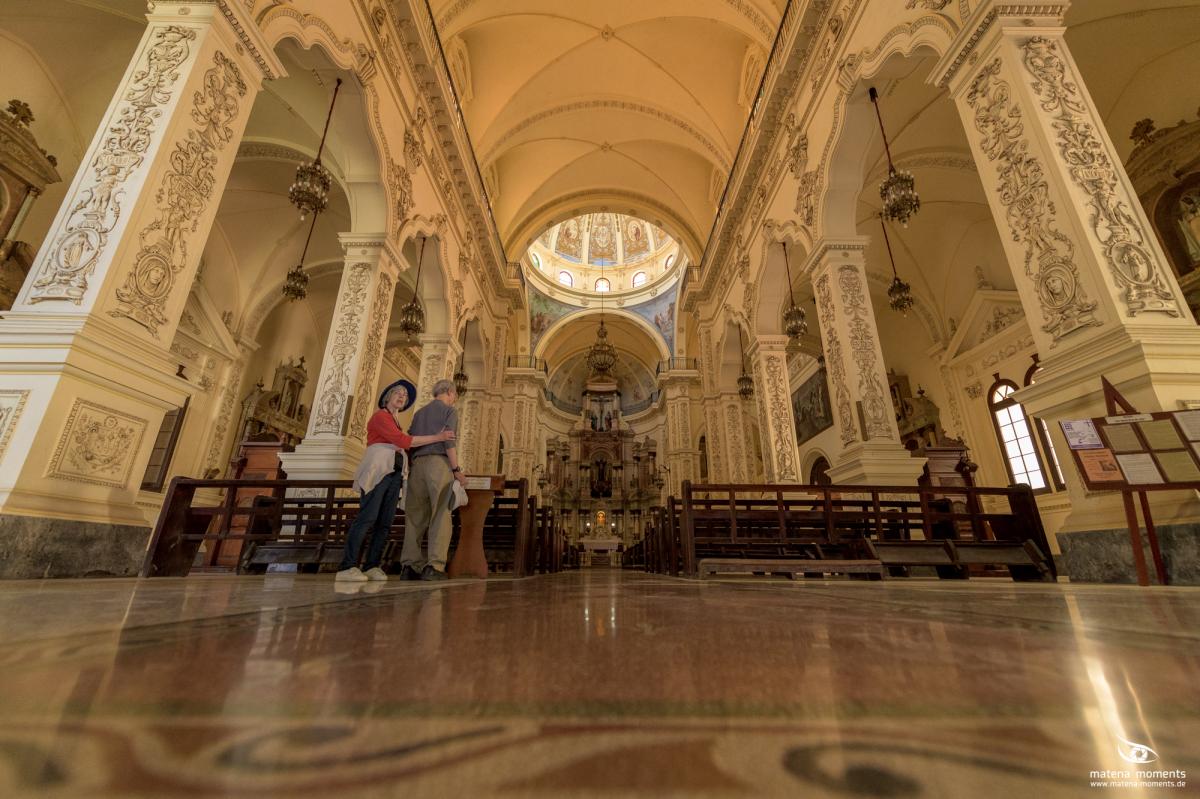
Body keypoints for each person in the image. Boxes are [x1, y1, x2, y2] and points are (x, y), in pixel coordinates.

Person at [335, 379, 455, 583]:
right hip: (378, 470)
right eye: (398, 393)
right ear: (387, 396)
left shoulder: (398, 421)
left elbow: (405, 442)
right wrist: (439, 438)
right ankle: (347, 566)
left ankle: (372, 565)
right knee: (368, 517)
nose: (402, 396)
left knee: (385, 522)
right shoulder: (380, 417)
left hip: (394, 472)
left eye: (405, 395)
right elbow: (403, 441)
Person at [399, 379, 467, 580]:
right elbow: (449, 441)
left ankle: (409, 566)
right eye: (454, 395)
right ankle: (434, 566)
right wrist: (456, 470)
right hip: (438, 464)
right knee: (440, 513)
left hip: (417, 465)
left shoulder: (419, 413)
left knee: (414, 517)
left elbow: (409, 442)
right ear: (449, 392)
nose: (454, 399)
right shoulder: (450, 411)